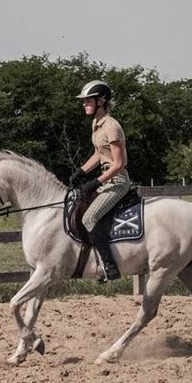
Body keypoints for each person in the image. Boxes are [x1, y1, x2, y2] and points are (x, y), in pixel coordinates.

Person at [70, 80, 131, 281]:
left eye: (88, 101)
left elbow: (119, 163)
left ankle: (109, 266)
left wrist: (96, 182)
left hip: (118, 182)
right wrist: (81, 170)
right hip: (106, 180)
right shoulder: (97, 124)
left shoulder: (112, 126)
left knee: (89, 218)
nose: (84, 104)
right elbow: (99, 154)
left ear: (101, 101)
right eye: (84, 101)